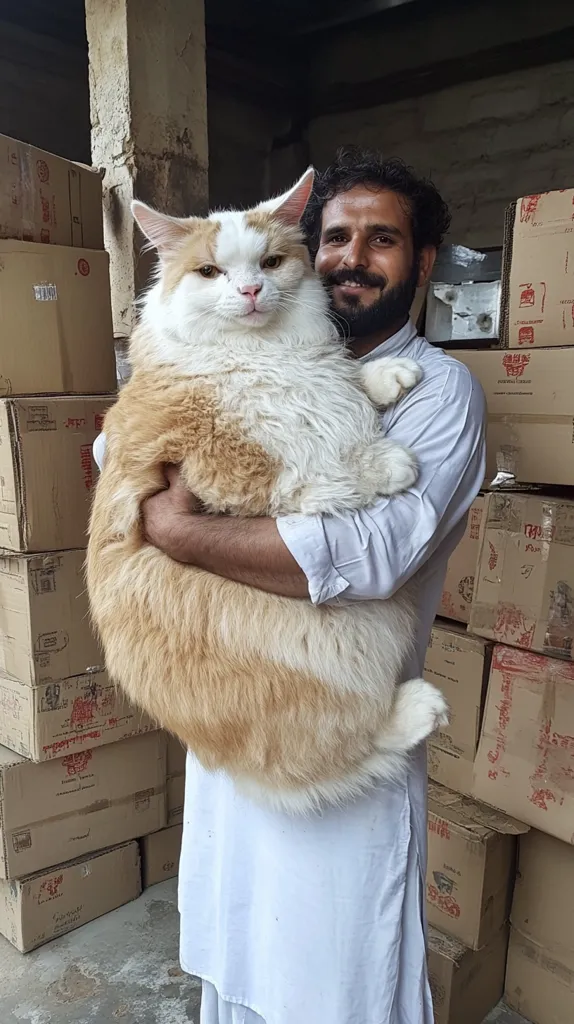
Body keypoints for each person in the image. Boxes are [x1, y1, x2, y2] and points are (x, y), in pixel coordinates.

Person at [93, 147, 486, 1024]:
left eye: (381, 239)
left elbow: (370, 552)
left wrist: (180, 529)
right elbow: (119, 455)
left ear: (421, 264)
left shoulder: (443, 394)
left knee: (339, 983)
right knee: (238, 961)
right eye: (337, 236)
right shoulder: (281, 346)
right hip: (227, 704)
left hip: (337, 714)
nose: (352, 256)